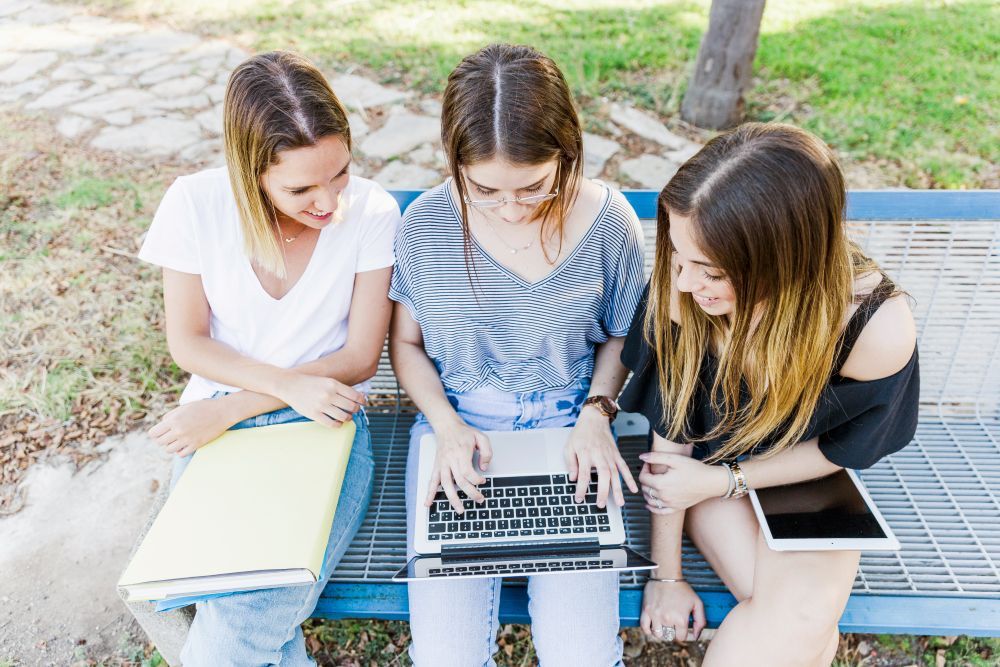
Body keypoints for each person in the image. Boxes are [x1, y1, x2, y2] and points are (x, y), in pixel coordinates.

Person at [618, 122, 919, 666]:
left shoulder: (872, 329)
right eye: (678, 257)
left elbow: (839, 450)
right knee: (803, 627)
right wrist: (666, 576)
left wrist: (727, 481)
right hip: (707, 468)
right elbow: (673, 447)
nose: (683, 283)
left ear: (784, 262)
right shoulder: (683, 291)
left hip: (805, 477)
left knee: (798, 623)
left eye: (709, 270)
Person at [137, 50, 400, 665]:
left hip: (323, 423)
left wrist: (243, 404)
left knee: (243, 614)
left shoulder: (372, 212)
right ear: (249, 171)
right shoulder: (194, 204)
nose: (330, 202)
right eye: (301, 188)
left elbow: (360, 357)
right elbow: (190, 342)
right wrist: (242, 406)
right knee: (236, 601)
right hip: (217, 424)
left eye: (340, 174)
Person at [388, 43, 646, 666]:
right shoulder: (426, 225)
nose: (509, 209)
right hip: (459, 435)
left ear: (567, 152)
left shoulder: (610, 224)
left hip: (573, 430)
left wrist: (596, 415)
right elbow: (405, 343)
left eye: (533, 186)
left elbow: (623, 338)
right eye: (484, 189)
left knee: (583, 656)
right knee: (445, 658)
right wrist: (448, 428)